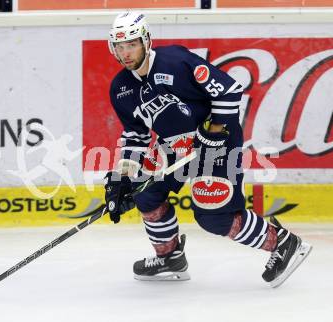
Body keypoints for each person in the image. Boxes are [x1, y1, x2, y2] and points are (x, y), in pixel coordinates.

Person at [103, 11, 312, 287]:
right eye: (120, 47)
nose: (126, 53)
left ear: (146, 41)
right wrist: (124, 176)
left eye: (132, 44)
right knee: (145, 192)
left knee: (214, 217)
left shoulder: (175, 61)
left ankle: (283, 243)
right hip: (174, 146)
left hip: (218, 141)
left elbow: (228, 90)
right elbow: (135, 135)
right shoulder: (121, 88)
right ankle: (170, 257)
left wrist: (213, 133)